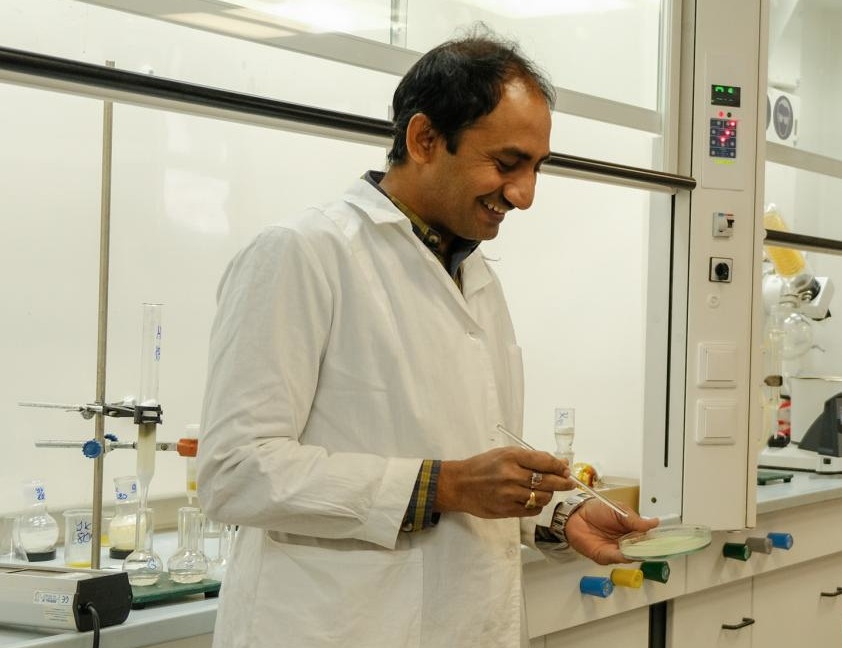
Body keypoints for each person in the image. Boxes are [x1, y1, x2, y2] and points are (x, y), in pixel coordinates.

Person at [197, 28, 658, 648]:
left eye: (537, 168)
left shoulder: (474, 277)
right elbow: (234, 472)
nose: (524, 195)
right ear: (423, 139)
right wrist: (443, 485)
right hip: (335, 627)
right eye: (507, 163)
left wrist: (560, 514)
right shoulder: (303, 253)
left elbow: (475, 455)